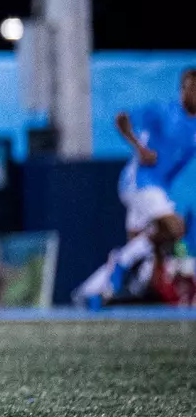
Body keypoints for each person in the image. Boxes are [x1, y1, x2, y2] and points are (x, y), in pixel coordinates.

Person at [82, 69, 196, 307]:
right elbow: (121, 118)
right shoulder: (163, 111)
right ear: (182, 90)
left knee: (143, 243)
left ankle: (106, 287)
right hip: (139, 182)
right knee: (176, 228)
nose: (193, 93)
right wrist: (138, 148)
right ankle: (123, 265)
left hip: (157, 188)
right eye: (190, 88)